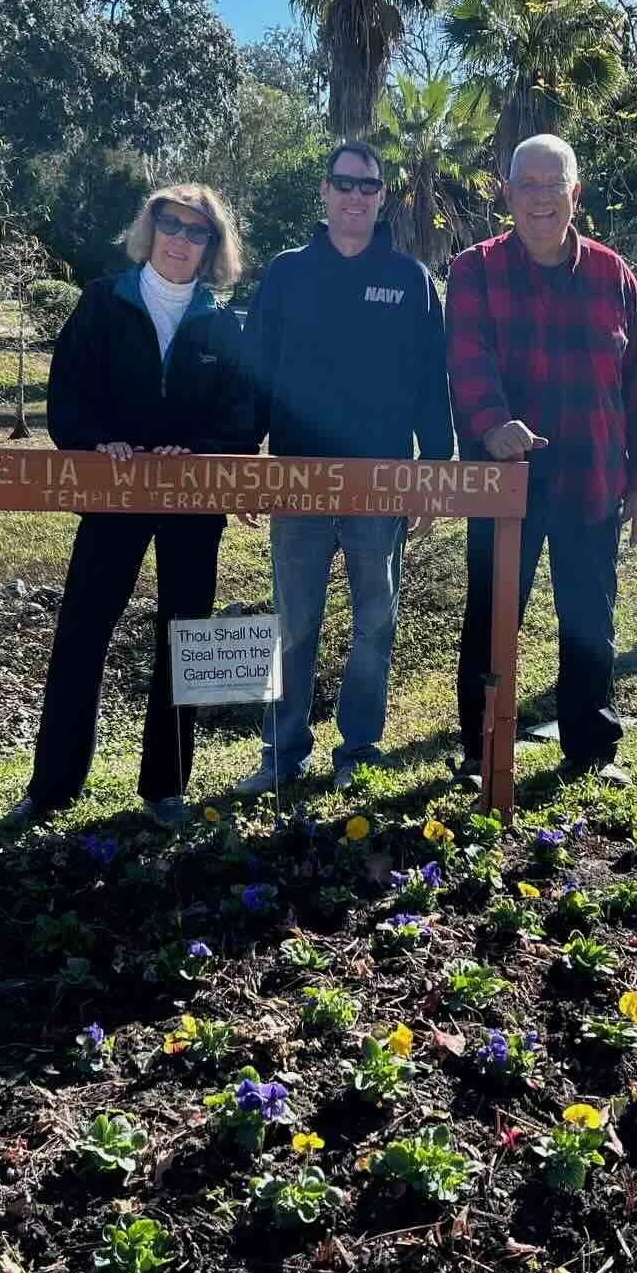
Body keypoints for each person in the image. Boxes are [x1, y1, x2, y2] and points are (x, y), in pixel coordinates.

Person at [13, 184, 254, 829]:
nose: (181, 239)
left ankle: (166, 787)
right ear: (150, 230)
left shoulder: (225, 322)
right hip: (114, 494)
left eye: (197, 231)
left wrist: (198, 449)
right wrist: (96, 442)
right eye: (170, 225)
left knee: (188, 636)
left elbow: (244, 414)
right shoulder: (102, 303)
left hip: (193, 499)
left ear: (213, 245)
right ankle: (53, 784)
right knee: (83, 630)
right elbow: (69, 394)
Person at [447, 134, 637, 788]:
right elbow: (467, 361)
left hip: (592, 477)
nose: (540, 198)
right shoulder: (474, 270)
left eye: (554, 185)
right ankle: (479, 750)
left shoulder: (612, 274)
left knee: (589, 617)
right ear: (508, 194)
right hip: (502, 480)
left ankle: (592, 747)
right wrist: (492, 425)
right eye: (527, 185)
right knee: (491, 619)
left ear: (575, 193)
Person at [234, 140, 453, 795]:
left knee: (375, 620)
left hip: (381, 480)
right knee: (292, 620)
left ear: (382, 196)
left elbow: (428, 380)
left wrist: (433, 467)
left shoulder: (409, 278)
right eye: (344, 184)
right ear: (324, 193)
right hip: (298, 478)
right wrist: (247, 457)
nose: (356, 196)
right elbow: (256, 372)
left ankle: (359, 748)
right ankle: (282, 751)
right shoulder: (286, 273)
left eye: (368, 186)